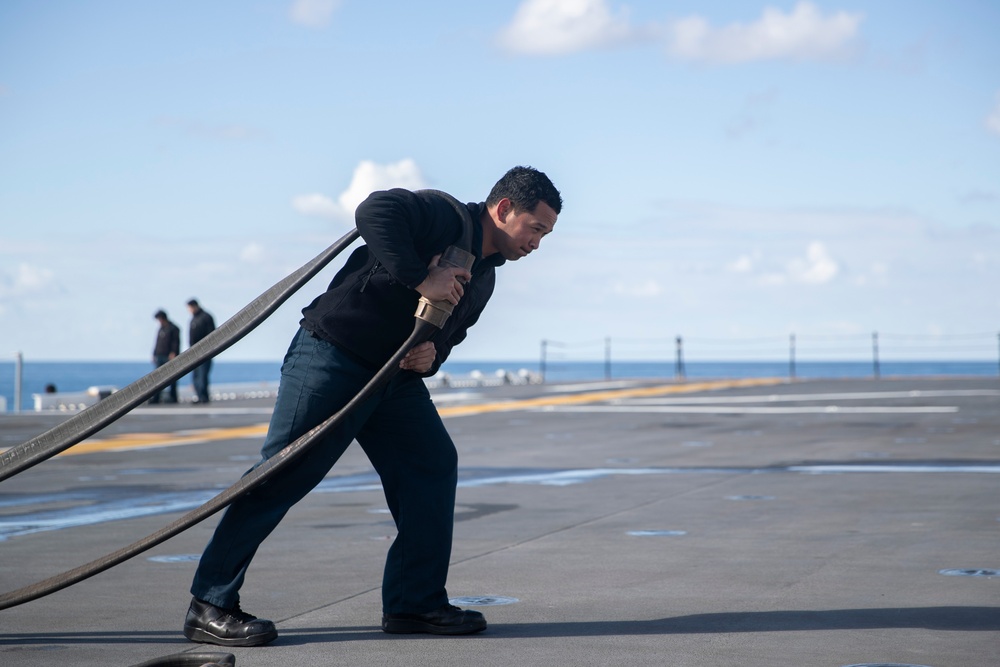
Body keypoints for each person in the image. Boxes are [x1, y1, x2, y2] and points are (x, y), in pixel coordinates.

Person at [182, 166, 562, 647]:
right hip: (331, 357)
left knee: (432, 464)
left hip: (393, 381)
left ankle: (414, 603)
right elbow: (375, 210)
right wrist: (422, 277)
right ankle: (209, 604)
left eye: (545, 235)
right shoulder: (441, 216)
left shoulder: (484, 279)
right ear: (505, 209)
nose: (536, 243)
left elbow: (447, 336)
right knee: (282, 474)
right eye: (536, 229)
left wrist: (432, 357)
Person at [187, 299, 217, 403]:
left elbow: (212, 334)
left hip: (204, 352)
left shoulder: (206, 317)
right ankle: (199, 395)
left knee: (202, 375)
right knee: (196, 376)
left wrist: (209, 349)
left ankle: (203, 396)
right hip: (194, 352)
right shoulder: (193, 319)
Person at [150, 310, 181, 404]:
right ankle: (156, 398)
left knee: (172, 378)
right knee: (157, 378)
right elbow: (157, 342)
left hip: (169, 356)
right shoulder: (161, 329)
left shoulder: (174, 328)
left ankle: (173, 397)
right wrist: (154, 353)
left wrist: (174, 352)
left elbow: (176, 342)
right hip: (160, 355)